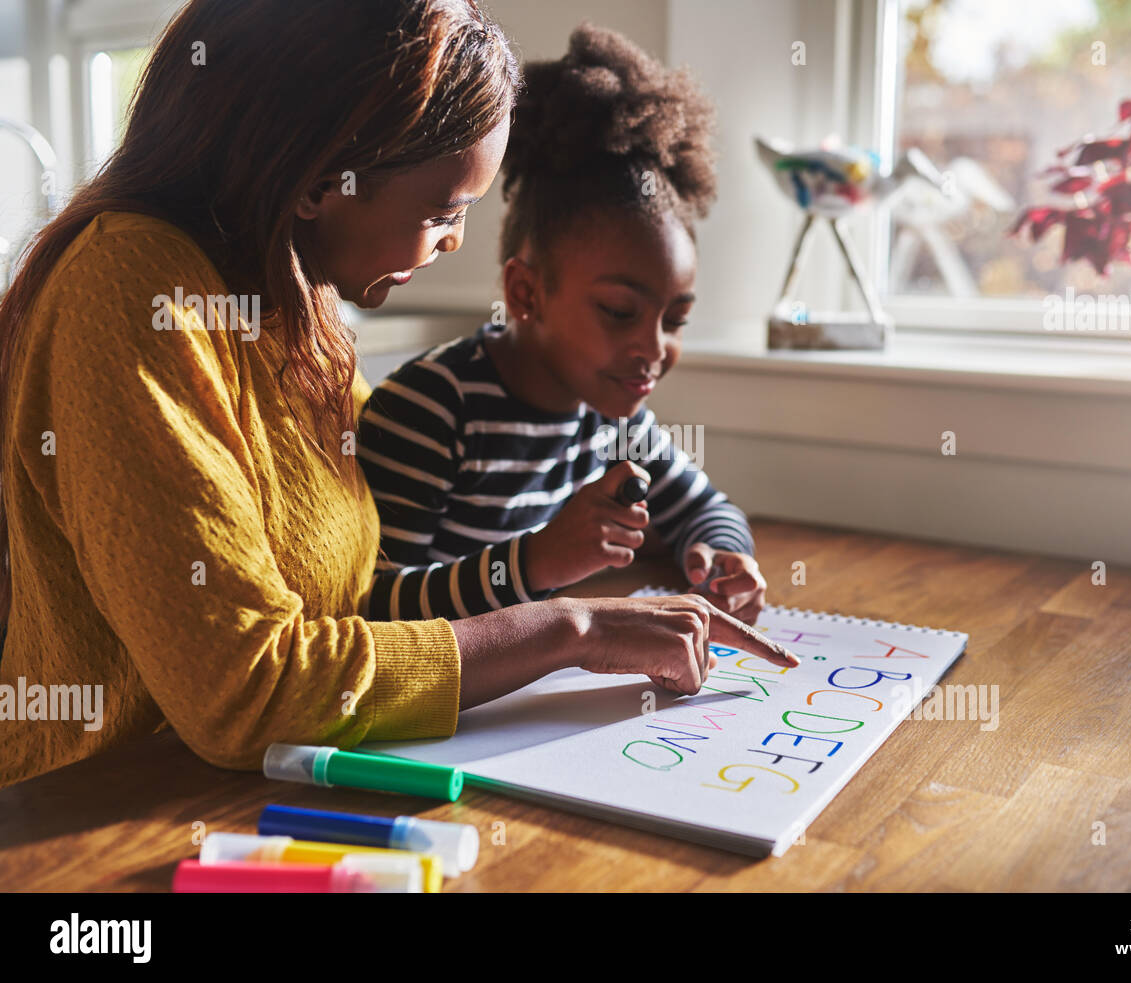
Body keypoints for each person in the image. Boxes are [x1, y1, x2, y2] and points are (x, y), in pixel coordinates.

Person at [0, 0, 795, 788]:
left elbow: (361, 594)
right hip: (92, 817)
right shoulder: (129, 288)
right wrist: (572, 625)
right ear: (318, 179)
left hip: (297, 777)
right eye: (444, 212)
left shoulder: (302, 301)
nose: (453, 242)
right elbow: (243, 692)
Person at [358, 23, 770, 626]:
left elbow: (707, 509)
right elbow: (375, 610)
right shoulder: (430, 412)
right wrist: (533, 565)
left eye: (675, 319)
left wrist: (722, 554)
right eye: (619, 313)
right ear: (526, 292)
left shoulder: (613, 419)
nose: (653, 349)